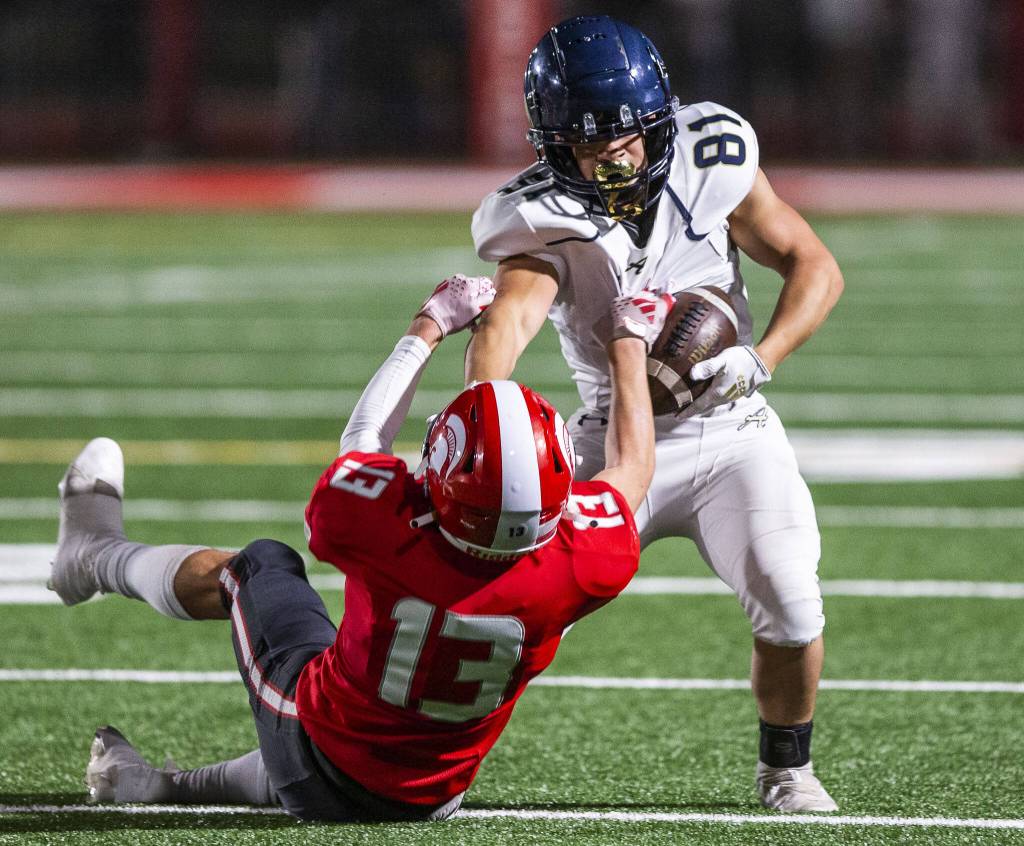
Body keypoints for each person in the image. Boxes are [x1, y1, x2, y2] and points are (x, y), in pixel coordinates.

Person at [48, 275, 663, 821]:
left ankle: (95, 554)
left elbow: (365, 435)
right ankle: (161, 788)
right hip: (434, 793)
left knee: (261, 565)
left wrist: (428, 327)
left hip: (319, 755)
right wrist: (629, 344)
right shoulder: (589, 559)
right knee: (353, 711)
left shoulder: (384, 525)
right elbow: (631, 469)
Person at [467, 16, 844, 812]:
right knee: (505, 615)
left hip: (730, 426)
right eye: (583, 140)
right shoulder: (536, 216)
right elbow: (507, 323)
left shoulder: (714, 157)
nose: (607, 154)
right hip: (612, 440)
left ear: (658, 120)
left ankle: (788, 768)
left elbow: (814, 264)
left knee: (791, 598)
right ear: (549, 142)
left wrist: (761, 355)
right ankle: (434, 758)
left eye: (623, 135)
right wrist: (485, 413)